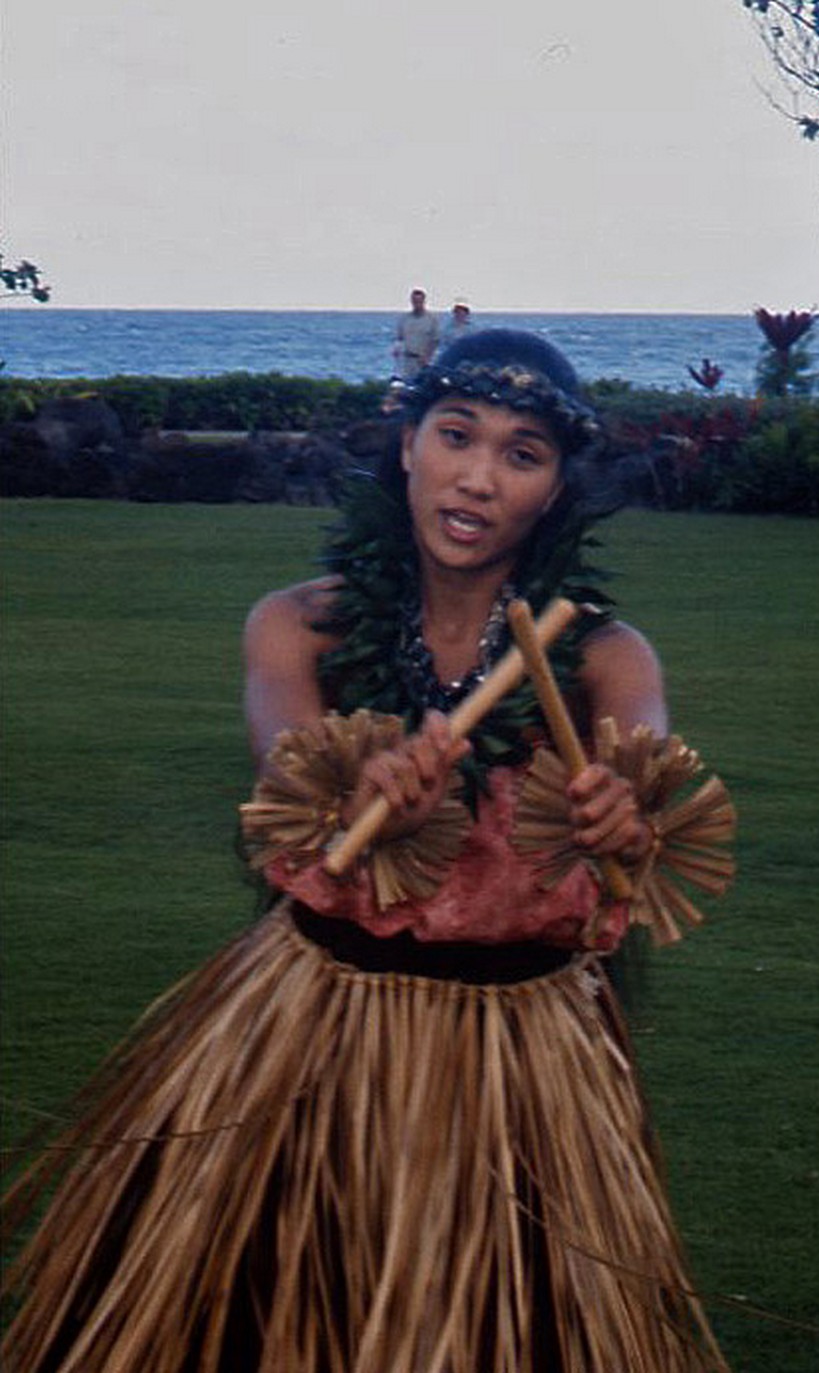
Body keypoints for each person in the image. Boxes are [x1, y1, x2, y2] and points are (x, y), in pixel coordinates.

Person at [2, 329, 735, 1371]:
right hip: (311, 1043)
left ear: (556, 489)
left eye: (522, 454)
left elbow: (645, 768)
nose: (477, 477)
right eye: (455, 435)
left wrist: (626, 813)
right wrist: (357, 787)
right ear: (405, 445)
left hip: (518, 1072)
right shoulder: (295, 628)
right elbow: (285, 768)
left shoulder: (604, 656)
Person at [392, 285, 440, 379]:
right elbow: (400, 338)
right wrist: (396, 349)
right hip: (407, 360)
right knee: (406, 383)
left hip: (423, 360)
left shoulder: (432, 319)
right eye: (414, 301)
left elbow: (435, 341)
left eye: (419, 301)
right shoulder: (405, 319)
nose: (416, 304)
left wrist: (427, 357)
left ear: (424, 301)